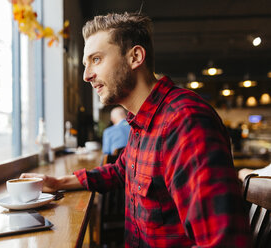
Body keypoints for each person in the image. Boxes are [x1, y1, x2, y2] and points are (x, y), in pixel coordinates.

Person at [21, 12, 251, 247]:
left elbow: (225, 242)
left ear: (135, 57)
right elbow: (121, 171)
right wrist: (58, 182)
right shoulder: (141, 119)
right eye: (85, 64)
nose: (86, 75)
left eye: (96, 59)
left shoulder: (184, 122)